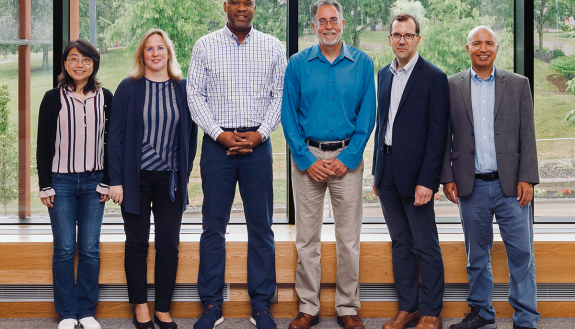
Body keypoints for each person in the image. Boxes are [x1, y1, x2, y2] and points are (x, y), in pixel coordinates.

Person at [186, 0, 286, 328]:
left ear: (254, 7)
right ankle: (212, 304)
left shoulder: (273, 46)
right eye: (236, 2)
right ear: (226, 6)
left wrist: (259, 134)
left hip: (258, 147)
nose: (242, 8)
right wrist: (218, 134)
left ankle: (261, 305)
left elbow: (279, 95)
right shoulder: (205, 45)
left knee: (262, 227)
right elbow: (194, 95)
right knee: (213, 228)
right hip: (218, 148)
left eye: (248, 2)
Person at [281, 1, 375, 328]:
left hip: (347, 160)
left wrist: (348, 158)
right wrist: (306, 159)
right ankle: (309, 307)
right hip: (308, 159)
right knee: (307, 239)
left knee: (348, 239)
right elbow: (288, 116)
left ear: (343, 23)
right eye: (322, 21)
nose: (328, 25)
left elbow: (368, 115)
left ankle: (347, 308)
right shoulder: (297, 64)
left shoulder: (362, 63)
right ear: (314, 26)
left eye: (333, 19)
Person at [440, 26, 540, 329]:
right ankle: (482, 313)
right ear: (467, 47)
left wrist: (528, 178)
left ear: (497, 48)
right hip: (470, 185)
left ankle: (525, 319)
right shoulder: (451, 85)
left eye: (489, 43)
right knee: (476, 255)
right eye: (477, 44)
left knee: (522, 254)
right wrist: (447, 177)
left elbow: (528, 135)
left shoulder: (519, 85)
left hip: (511, 186)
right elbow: (444, 137)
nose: (483, 48)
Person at [107, 29, 198, 329]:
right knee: (137, 244)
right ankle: (141, 308)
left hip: (170, 180)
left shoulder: (183, 88)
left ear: (169, 53)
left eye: (160, 48)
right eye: (149, 49)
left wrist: (182, 174)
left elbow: (190, 137)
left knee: (169, 244)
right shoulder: (128, 87)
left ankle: (162, 308)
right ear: (142, 55)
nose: (155, 53)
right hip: (135, 179)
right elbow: (115, 138)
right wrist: (116, 181)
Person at [371, 12, 449, 329]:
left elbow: (438, 135)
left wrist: (428, 181)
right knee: (401, 244)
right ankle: (409, 308)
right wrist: (377, 172)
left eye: (408, 35)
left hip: (417, 176)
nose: (402, 40)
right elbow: (383, 125)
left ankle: (431, 311)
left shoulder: (433, 77)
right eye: (397, 35)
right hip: (387, 172)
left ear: (417, 39)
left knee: (425, 245)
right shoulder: (384, 75)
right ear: (390, 38)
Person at [36, 39, 112, 329]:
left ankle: (86, 311)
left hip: (94, 183)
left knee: (90, 248)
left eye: (86, 59)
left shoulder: (106, 97)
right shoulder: (51, 98)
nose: (80, 64)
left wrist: (107, 181)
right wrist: (45, 185)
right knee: (65, 249)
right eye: (74, 59)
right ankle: (67, 314)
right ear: (65, 64)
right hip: (61, 183)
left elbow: (111, 144)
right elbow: (43, 144)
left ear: (94, 64)